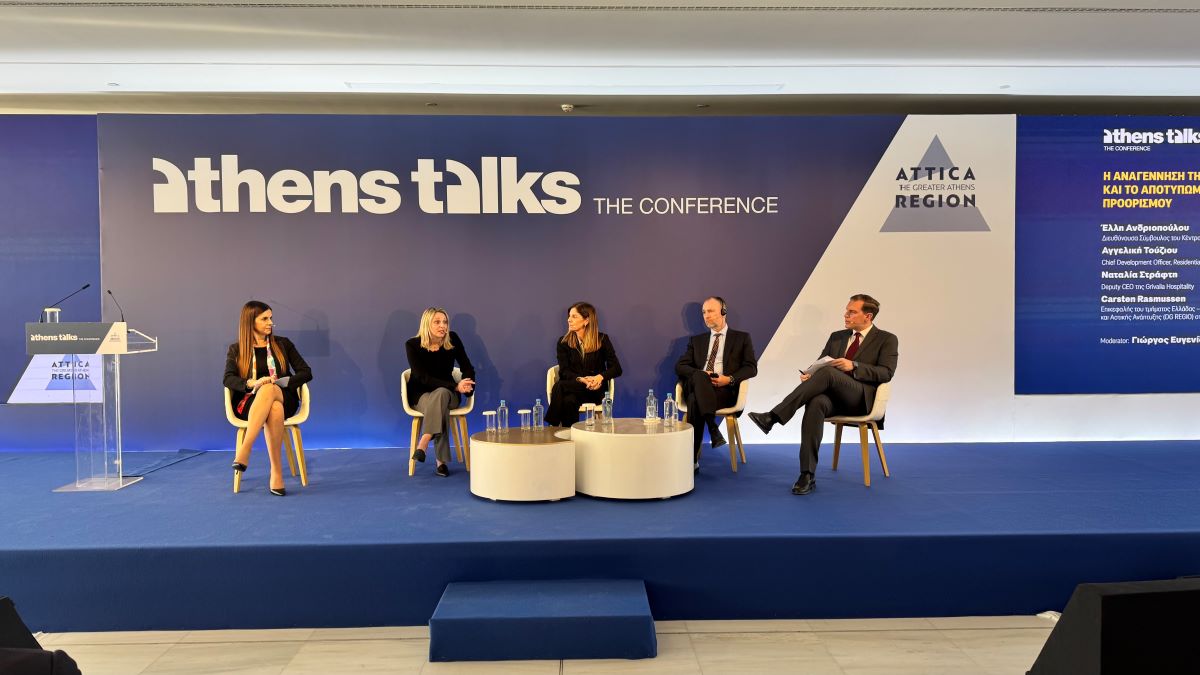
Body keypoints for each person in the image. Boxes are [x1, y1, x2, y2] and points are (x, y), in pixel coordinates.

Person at [748, 294, 897, 496]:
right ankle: (807, 474)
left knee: (828, 373)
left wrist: (854, 365)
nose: (846, 315)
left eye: (852, 312)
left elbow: (886, 372)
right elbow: (821, 363)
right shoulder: (837, 336)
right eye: (846, 310)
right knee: (816, 402)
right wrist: (810, 375)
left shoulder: (886, 339)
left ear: (868, 316)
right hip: (833, 398)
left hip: (861, 399)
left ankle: (773, 416)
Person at [225, 300, 313, 496]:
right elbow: (228, 379)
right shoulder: (236, 349)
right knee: (273, 407)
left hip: (284, 396)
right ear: (250, 322)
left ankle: (245, 450)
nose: (270, 323)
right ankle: (276, 473)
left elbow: (306, 372)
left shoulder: (283, 344)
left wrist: (282, 382)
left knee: (270, 390)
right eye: (264, 319)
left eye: (271, 318)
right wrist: (252, 383)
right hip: (250, 402)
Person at [675, 296, 757, 470]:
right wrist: (701, 375)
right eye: (704, 312)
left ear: (723, 311)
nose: (706, 315)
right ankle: (712, 427)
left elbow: (751, 368)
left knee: (694, 400)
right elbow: (680, 366)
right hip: (698, 384)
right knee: (699, 376)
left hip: (723, 391)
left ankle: (691, 461)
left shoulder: (741, 338)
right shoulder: (696, 341)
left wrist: (729, 379)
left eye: (710, 311)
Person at [405, 307, 476, 477]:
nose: (442, 326)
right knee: (439, 403)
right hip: (422, 395)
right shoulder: (412, 345)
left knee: (442, 394)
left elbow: (467, 367)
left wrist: (467, 385)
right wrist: (455, 386)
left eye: (445, 322)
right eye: (437, 322)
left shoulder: (452, 339)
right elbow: (422, 378)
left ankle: (424, 440)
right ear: (426, 324)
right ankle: (441, 462)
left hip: (449, 395)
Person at [545, 302, 622, 426]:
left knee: (559, 386)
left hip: (594, 389)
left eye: (574, 316)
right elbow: (564, 371)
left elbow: (616, 368)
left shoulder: (602, 339)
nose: (569, 320)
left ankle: (552, 426)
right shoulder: (563, 342)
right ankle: (570, 434)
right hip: (574, 386)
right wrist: (581, 379)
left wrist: (599, 377)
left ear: (586, 320)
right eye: (569, 316)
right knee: (569, 400)